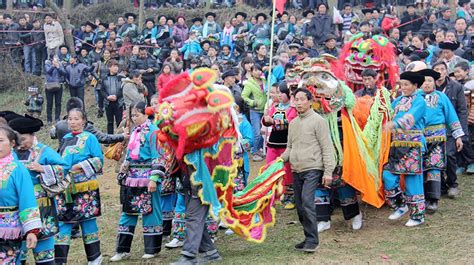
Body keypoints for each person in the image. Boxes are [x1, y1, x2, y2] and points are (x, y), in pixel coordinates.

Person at [280, 88, 335, 253]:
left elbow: (327, 147)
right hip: (296, 169)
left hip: (313, 168)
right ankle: (308, 237)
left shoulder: (319, 121)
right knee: (300, 205)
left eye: (302, 99)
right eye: (296, 99)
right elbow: (289, 147)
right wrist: (279, 160)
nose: (298, 102)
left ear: (310, 101)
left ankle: (313, 240)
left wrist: (328, 172)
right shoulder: (294, 123)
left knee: (307, 201)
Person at [9, 115, 68, 265]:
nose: (20, 145)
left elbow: (65, 167)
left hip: (42, 207)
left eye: (23, 140)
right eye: (16, 141)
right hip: (18, 207)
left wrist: (43, 169)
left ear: (32, 135)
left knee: (44, 249)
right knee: (15, 251)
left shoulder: (44, 151)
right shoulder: (10, 154)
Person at [110, 102, 165, 262]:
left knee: (151, 212)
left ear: (146, 114)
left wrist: (154, 179)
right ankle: (122, 249)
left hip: (148, 177)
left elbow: (158, 155)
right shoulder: (135, 131)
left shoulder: (154, 132)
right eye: (132, 115)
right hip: (132, 178)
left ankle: (152, 249)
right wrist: (124, 168)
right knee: (128, 212)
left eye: (137, 115)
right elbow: (129, 154)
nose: (134, 118)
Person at [55, 108, 104, 264]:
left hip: (85, 188)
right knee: (64, 222)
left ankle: (95, 257)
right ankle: (60, 260)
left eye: (76, 119)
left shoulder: (90, 138)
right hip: (66, 188)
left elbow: (99, 160)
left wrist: (80, 166)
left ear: (83, 121)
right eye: (70, 119)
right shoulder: (65, 139)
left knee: (87, 220)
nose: (72, 122)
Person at [383, 71, 427, 227]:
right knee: (387, 175)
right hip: (397, 144)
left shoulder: (420, 101)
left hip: (413, 144)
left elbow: (411, 117)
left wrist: (394, 124)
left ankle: (417, 216)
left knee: (412, 179)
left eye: (406, 84)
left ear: (415, 85)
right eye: (401, 84)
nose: (403, 87)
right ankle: (400, 205)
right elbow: (387, 112)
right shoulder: (398, 100)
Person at [418, 68, 464, 213]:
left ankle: (433, 200)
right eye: (424, 81)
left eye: (430, 81)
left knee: (434, 167)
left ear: (434, 83)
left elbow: (451, 116)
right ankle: (422, 198)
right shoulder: (415, 98)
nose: (426, 84)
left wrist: (458, 137)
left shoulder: (441, 97)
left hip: (437, 138)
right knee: (420, 168)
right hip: (418, 139)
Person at [0, 125, 42, 264]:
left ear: (12, 143)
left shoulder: (19, 170)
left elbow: (27, 200)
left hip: (8, 231)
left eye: (0, 140)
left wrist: (31, 231)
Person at [433, 62, 469, 198]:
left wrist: (461, 133)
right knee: (436, 158)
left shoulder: (456, 87)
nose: (440, 72)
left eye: (442, 69)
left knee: (449, 156)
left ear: (447, 71)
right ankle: (441, 186)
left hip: (451, 129)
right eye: (437, 69)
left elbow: (462, 110)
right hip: (434, 130)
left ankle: (452, 184)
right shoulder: (429, 87)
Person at [262, 82, 297, 210]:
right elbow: (267, 122)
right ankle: (274, 195)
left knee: (287, 172)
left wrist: (274, 122)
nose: (278, 95)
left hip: (286, 144)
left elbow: (290, 123)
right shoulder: (275, 106)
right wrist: (265, 119)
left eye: (281, 92)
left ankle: (290, 197)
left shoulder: (293, 109)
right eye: (277, 92)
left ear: (288, 94)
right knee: (270, 168)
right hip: (273, 143)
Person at [242, 64, 267, 162]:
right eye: (256, 70)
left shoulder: (264, 81)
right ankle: (254, 152)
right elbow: (244, 96)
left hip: (264, 110)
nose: (258, 72)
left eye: (259, 70)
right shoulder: (249, 83)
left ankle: (258, 149)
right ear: (251, 72)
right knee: (256, 132)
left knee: (263, 131)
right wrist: (253, 102)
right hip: (255, 111)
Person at [101, 59, 124, 134]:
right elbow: (102, 90)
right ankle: (110, 139)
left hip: (119, 103)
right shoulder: (104, 78)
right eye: (114, 66)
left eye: (117, 66)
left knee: (119, 122)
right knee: (110, 122)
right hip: (108, 103)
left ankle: (120, 139)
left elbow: (122, 89)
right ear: (109, 67)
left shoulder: (121, 78)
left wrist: (116, 96)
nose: (116, 68)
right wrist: (107, 97)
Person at [44, 54, 66, 124]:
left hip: (59, 84)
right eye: (54, 58)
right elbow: (48, 71)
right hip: (49, 85)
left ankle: (57, 118)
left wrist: (58, 67)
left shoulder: (60, 64)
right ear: (51, 59)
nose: (56, 59)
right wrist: (53, 66)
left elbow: (63, 73)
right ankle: (49, 119)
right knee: (49, 103)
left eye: (57, 58)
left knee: (58, 102)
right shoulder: (47, 63)